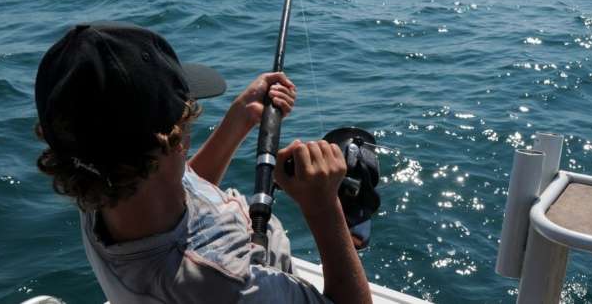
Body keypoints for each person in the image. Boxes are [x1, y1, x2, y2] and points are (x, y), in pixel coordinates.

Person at [34, 21, 371, 304]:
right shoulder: (227, 285)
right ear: (171, 141)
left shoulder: (98, 185)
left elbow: (177, 185)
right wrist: (323, 207)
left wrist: (239, 118)